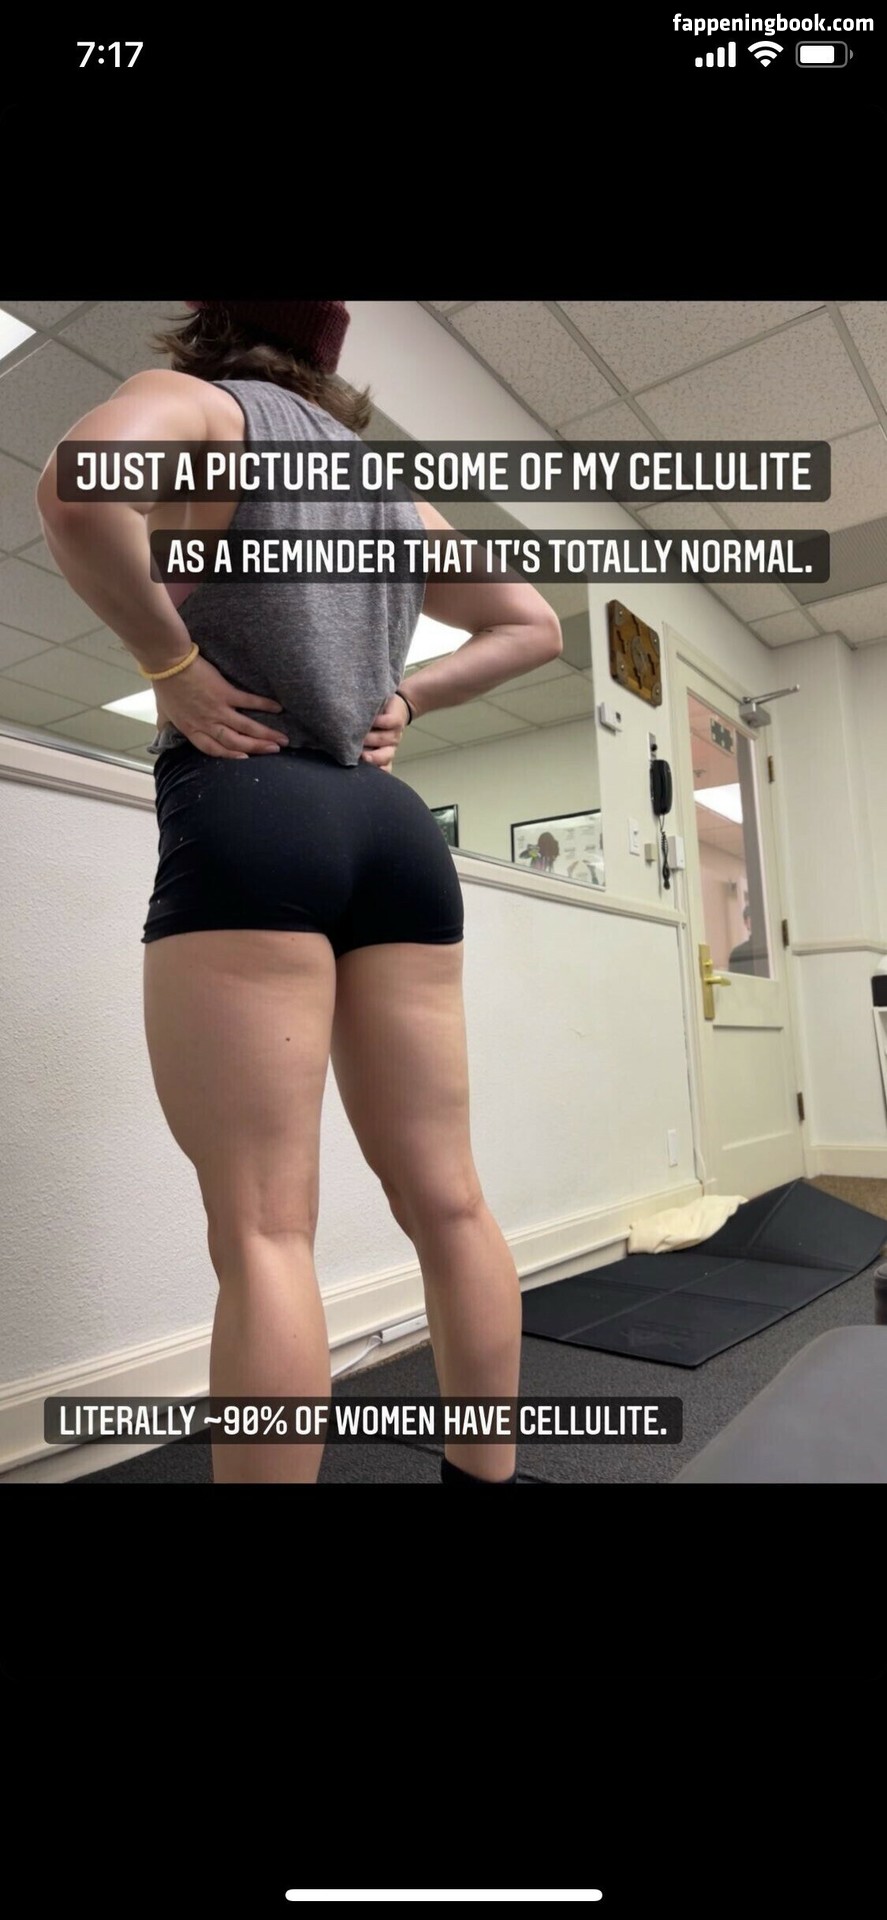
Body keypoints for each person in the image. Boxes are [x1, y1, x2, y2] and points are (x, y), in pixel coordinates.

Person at [35, 298, 563, 1486]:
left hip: (254, 806)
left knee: (266, 1227)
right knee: (451, 1200)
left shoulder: (198, 408)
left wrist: (169, 663)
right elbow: (531, 625)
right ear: (327, 360)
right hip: (391, 829)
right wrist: (407, 699)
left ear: (207, 327)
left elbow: (73, 492)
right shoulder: (387, 491)